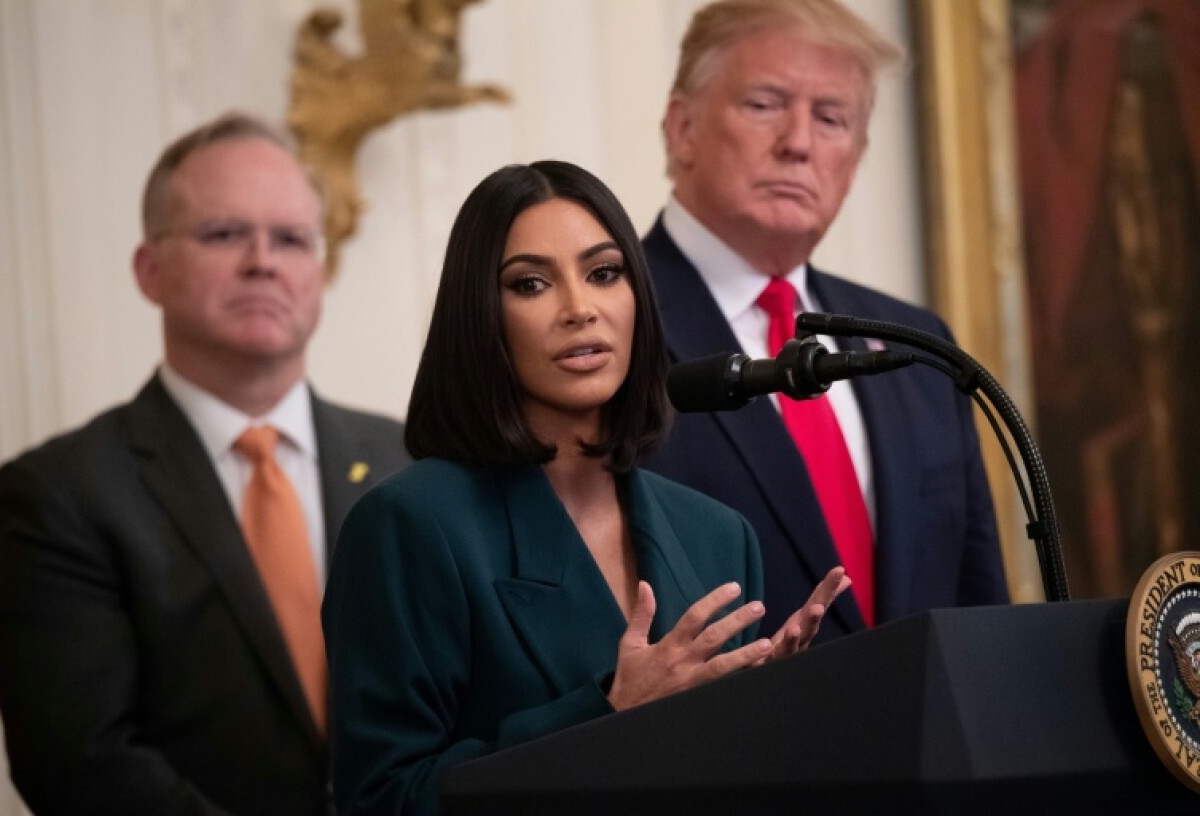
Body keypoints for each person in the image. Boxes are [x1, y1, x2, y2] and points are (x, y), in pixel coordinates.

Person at [323, 160, 850, 814]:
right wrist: (607, 713)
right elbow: (381, 801)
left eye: (604, 274)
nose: (580, 309)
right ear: (480, 315)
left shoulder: (720, 535)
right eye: (532, 283)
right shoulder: (408, 526)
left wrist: (763, 717)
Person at [0, 112, 409, 815]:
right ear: (149, 271)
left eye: (292, 239)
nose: (263, 260)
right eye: (224, 234)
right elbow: (80, 763)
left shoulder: (408, 461)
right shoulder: (61, 493)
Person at [643, 0, 1009, 642]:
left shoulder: (919, 345)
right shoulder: (609, 332)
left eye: (831, 118)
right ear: (682, 128)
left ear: (857, 156)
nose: (798, 143)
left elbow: (981, 617)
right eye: (763, 105)